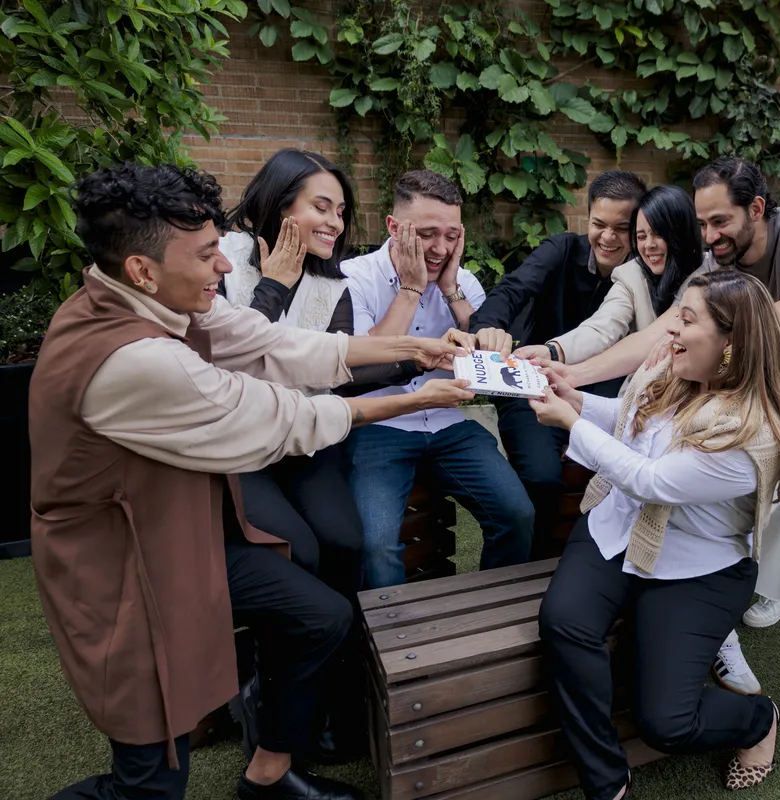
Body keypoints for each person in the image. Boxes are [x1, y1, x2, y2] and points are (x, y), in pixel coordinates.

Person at [29, 162, 467, 800]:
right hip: (124, 569)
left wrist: (415, 352)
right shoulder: (136, 358)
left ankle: (268, 774)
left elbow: (279, 345)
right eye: (207, 254)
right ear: (142, 270)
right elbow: (278, 415)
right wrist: (406, 397)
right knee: (149, 789)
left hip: (182, 536)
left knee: (319, 615)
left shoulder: (159, 300)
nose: (226, 266)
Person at [535, 157, 780, 683]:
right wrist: (571, 373)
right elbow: (662, 331)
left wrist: (712, 334)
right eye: (702, 223)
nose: (709, 236)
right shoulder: (718, 266)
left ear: (756, 208)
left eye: (720, 221)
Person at [531, 270, 780, 799]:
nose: (671, 332)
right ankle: (607, 780)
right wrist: (575, 399)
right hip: (618, 530)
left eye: (687, 320)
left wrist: (570, 426)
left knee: (667, 722)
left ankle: (758, 718)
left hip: (698, 571)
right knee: (564, 622)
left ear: (731, 342)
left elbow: (653, 481)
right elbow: (632, 419)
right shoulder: (678, 372)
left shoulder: (751, 432)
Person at [217, 148, 430, 763]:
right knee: (297, 552)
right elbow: (236, 365)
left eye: (340, 209)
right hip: (238, 447)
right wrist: (276, 285)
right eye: (320, 206)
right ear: (280, 205)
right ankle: (267, 697)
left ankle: (335, 698)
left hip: (304, 438)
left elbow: (344, 374)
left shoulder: (330, 282)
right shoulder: (224, 262)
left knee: (344, 542)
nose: (335, 222)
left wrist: (419, 344)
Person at [340, 170, 535, 589]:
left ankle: (489, 612)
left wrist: (450, 291)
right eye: (427, 234)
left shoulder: (461, 282)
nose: (440, 248)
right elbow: (363, 366)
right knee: (376, 545)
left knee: (517, 513)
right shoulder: (354, 277)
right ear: (394, 227)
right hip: (381, 426)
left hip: (449, 426)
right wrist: (412, 287)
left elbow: (491, 370)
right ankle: (391, 644)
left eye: (451, 235)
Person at [466, 170, 646, 559]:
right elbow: (515, 287)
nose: (608, 237)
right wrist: (489, 327)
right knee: (543, 477)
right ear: (587, 220)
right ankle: (526, 570)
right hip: (533, 387)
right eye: (599, 224)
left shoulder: (645, 273)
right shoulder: (561, 249)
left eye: (622, 228)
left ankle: (590, 566)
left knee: (628, 475)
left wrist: (580, 422)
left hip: (606, 398)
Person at [513, 183, 711, 367]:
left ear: (681, 233)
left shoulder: (711, 272)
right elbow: (602, 328)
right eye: (641, 236)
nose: (649, 245)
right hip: (647, 392)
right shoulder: (631, 275)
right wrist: (553, 351)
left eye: (659, 234)